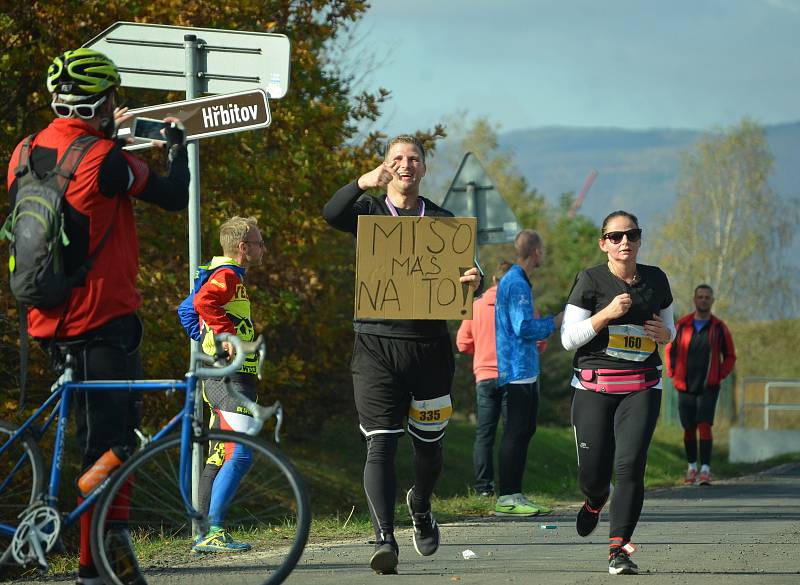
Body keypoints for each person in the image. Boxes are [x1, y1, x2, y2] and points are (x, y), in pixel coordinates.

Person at [5, 48, 189, 585]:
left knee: (91, 439)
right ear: (100, 103)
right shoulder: (108, 158)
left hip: (44, 316)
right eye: (112, 99)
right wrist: (173, 148)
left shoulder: (22, 151)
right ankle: (95, 563)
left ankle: (106, 553)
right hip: (102, 318)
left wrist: (112, 136)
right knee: (113, 444)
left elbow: (71, 195)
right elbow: (172, 196)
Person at [322, 135, 482, 575]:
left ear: (425, 169)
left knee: (429, 451)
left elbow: (471, 271)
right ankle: (383, 538)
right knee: (381, 444)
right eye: (397, 159)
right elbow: (331, 213)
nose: (405, 165)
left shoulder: (444, 220)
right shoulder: (368, 212)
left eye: (413, 159)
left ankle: (421, 503)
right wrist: (361, 182)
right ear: (386, 167)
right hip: (375, 345)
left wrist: (475, 277)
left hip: (429, 348)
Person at [560, 211, 675, 576]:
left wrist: (664, 335)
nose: (624, 242)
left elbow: (668, 329)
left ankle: (618, 549)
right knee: (593, 475)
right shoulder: (590, 280)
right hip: (595, 386)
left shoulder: (656, 280)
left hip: (642, 387)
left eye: (631, 235)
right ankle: (595, 499)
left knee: (629, 467)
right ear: (603, 243)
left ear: (639, 240)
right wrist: (605, 314)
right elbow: (568, 339)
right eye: (615, 237)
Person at [191, 216, 264, 553]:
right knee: (242, 454)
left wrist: (207, 337)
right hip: (227, 376)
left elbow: (185, 311)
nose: (263, 248)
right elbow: (200, 303)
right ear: (243, 247)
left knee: (220, 454)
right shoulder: (227, 276)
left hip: (224, 372)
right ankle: (213, 529)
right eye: (259, 243)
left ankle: (203, 532)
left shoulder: (223, 274)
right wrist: (225, 337)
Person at [493, 231, 562, 516]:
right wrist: (553, 322)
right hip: (517, 368)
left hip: (524, 367)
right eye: (542, 249)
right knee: (516, 431)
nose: (543, 254)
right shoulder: (517, 282)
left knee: (524, 430)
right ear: (535, 251)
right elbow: (522, 327)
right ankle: (507, 496)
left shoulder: (515, 280)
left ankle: (515, 493)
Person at [665, 284, 736, 486]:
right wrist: (671, 372)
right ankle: (691, 468)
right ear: (695, 300)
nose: (704, 300)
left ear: (712, 301)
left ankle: (705, 470)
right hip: (685, 384)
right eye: (700, 296)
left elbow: (730, 356)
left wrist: (720, 374)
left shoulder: (719, 328)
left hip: (709, 387)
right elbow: (670, 348)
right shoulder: (682, 325)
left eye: (707, 297)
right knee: (688, 427)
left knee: (704, 425)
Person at [456, 261, 513, 498]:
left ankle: (483, 488)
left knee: (484, 434)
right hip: (513, 377)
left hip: (485, 377)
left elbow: (462, 343)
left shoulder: (476, 306)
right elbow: (539, 341)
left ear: (493, 280)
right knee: (512, 434)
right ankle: (510, 488)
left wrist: (481, 352)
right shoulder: (520, 305)